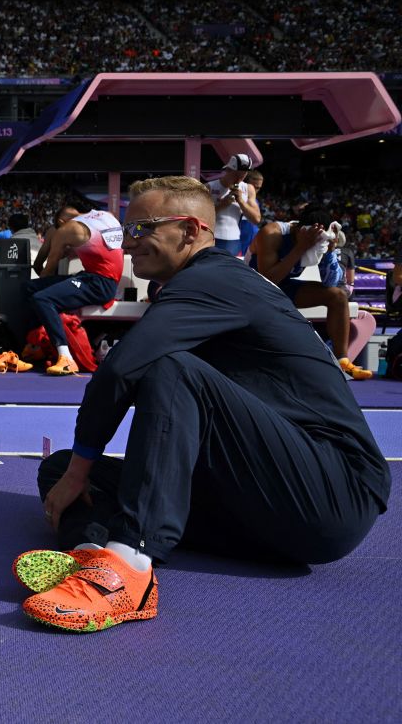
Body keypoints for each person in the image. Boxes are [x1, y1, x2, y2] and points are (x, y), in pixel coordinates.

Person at [20, 176, 389, 633]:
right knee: (56, 470)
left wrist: (82, 469)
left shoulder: (214, 278)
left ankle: (128, 560)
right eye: (126, 232)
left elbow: (122, 369)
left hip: (331, 494)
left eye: (142, 230)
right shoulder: (196, 284)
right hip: (258, 500)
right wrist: (74, 471)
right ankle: (89, 554)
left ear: (192, 231)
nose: (129, 244)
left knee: (165, 369)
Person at [250, 205, 372, 380]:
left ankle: (343, 362)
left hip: (285, 287)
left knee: (337, 296)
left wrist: (329, 253)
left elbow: (331, 282)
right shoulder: (272, 234)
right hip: (254, 288)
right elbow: (267, 281)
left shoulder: (316, 238)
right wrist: (300, 248)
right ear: (301, 229)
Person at [23, 203, 124, 376]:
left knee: (42, 298)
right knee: (30, 287)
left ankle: (65, 357)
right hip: (97, 278)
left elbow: (48, 271)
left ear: (62, 222)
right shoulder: (106, 215)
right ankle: (38, 343)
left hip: (97, 283)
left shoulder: (67, 230)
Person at [206, 154, 261, 257]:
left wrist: (241, 201)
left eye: (243, 174)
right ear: (228, 170)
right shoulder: (210, 187)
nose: (240, 178)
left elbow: (256, 219)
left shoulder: (248, 188)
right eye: (237, 174)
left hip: (233, 239)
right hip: (211, 237)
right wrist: (222, 205)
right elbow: (201, 216)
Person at [33, 203, 80, 277]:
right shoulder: (96, 229)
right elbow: (38, 265)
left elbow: (37, 265)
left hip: (63, 279)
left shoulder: (54, 231)